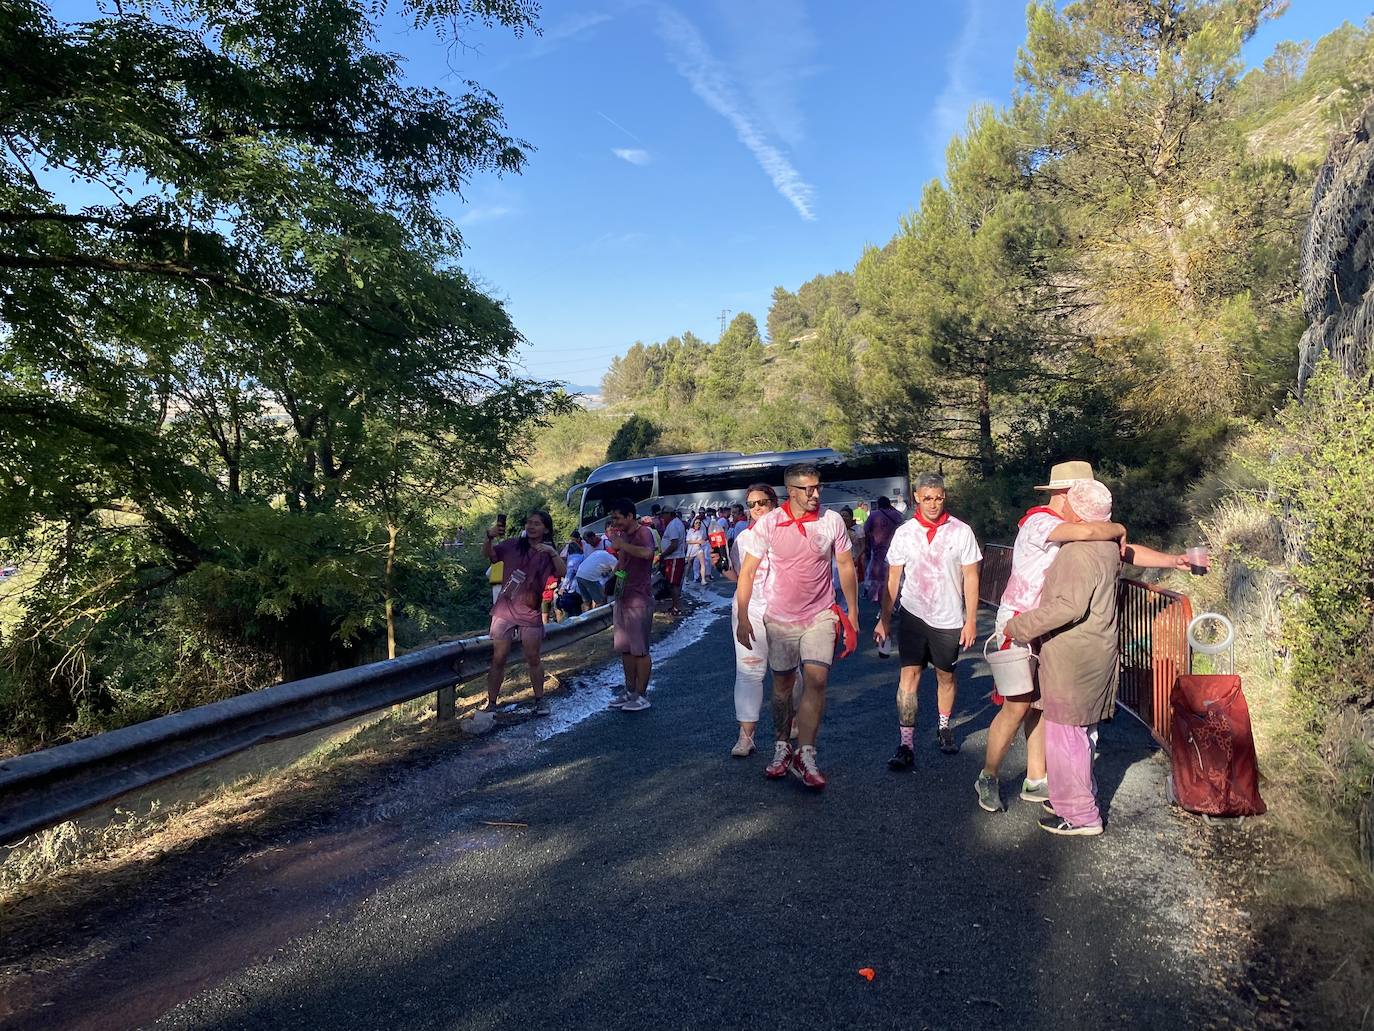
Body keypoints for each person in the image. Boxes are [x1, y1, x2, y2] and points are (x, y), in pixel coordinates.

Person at [974, 460, 1204, 813]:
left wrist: (1173, 561)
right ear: (1066, 494)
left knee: (1043, 703)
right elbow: (1091, 535)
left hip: (1050, 624)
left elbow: (1121, 549)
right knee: (1017, 705)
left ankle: (1037, 779)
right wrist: (1118, 525)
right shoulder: (1039, 521)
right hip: (1020, 622)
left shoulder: (1082, 526)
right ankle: (988, 775)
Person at [1005, 480, 1122, 836]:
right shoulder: (1108, 546)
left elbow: (1067, 607)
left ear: (1077, 510)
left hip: (1074, 653)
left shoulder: (1077, 552)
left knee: (1066, 734)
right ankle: (1071, 797)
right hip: (1096, 647)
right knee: (1081, 732)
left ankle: (1081, 815)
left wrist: (1019, 626)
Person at [737, 462, 860, 790]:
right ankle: (781, 747)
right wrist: (743, 617)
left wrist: (855, 613)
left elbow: (846, 565)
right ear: (791, 491)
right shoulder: (770, 524)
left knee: (816, 681)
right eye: (808, 489)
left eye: (818, 487)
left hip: (821, 614)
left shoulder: (831, 521)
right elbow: (747, 572)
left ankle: (807, 753)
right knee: (782, 688)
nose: (816, 494)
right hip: (779, 619)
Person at [873, 473, 982, 766]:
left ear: (944, 497)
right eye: (927, 498)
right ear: (917, 498)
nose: (933, 504)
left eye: (939, 497)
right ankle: (905, 744)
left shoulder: (961, 531)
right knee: (909, 675)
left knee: (945, 675)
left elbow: (971, 577)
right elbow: (892, 579)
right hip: (913, 614)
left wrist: (970, 619)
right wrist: (884, 619)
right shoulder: (905, 532)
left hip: (948, 617)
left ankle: (944, 726)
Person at [722, 484, 803, 757]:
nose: (757, 508)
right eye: (752, 504)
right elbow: (740, 578)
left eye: (763, 502)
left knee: (789, 672)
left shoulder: (790, 533)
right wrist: (723, 569)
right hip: (750, 612)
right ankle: (746, 737)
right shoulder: (743, 538)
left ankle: (793, 720)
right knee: (748, 673)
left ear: (774, 503)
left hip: (784, 612)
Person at [481, 511, 565, 716]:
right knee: (498, 658)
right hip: (505, 610)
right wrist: (489, 537)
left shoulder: (548, 552)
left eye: (536, 523)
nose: (531, 526)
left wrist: (552, 553)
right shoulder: (512, 544)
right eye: (529, 522)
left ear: (546, 528)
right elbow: (489, 555)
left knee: (533, 657)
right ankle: (491, 703)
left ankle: (539, 700)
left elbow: (562, 573)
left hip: (531, 612)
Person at [603, 499, 657, 712]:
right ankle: (630, 690)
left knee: (640, 650)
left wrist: (621, 545)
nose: (614, 522)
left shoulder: (643, 533)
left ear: (630, 516)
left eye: (617, 518)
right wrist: (612, 580)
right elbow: (623, 562)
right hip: (622, 597)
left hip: (638, 599)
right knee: (625, 649)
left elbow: (647, 554)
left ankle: (642, 695)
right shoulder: (623, 536)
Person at [862, 497, 903, 603]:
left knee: (879, 578)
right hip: (896, 549)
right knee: (895, 576)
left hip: (878, 550)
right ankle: (896, 600)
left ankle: (881, 600)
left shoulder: (874, 515)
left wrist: (867, 546)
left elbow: (866, 531)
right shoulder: (897, 515)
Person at [659, 508, 687, 616]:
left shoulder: (674, 525)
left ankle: (676, 607)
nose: (662, 517)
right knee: (672, 583)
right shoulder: (674, 523)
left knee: (673, 584)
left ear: (670, 514)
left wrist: (663, 555)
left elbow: (674, 544)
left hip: (674, 557)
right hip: (673, 557)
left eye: (664, 514)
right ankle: (675, 606)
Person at [686, 515, 711, 584]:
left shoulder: (701, 531)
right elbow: (688, 541)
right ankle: (686, 577)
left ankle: (703, 579)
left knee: (702, 563)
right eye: (696, 523)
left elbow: (702, 540)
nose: (698, 524)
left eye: (699, 523)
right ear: (694, 523)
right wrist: (698, 541)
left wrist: (701, 542)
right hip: (691, 550)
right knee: (689, 565)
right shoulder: (690, 531)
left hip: (699, 549)